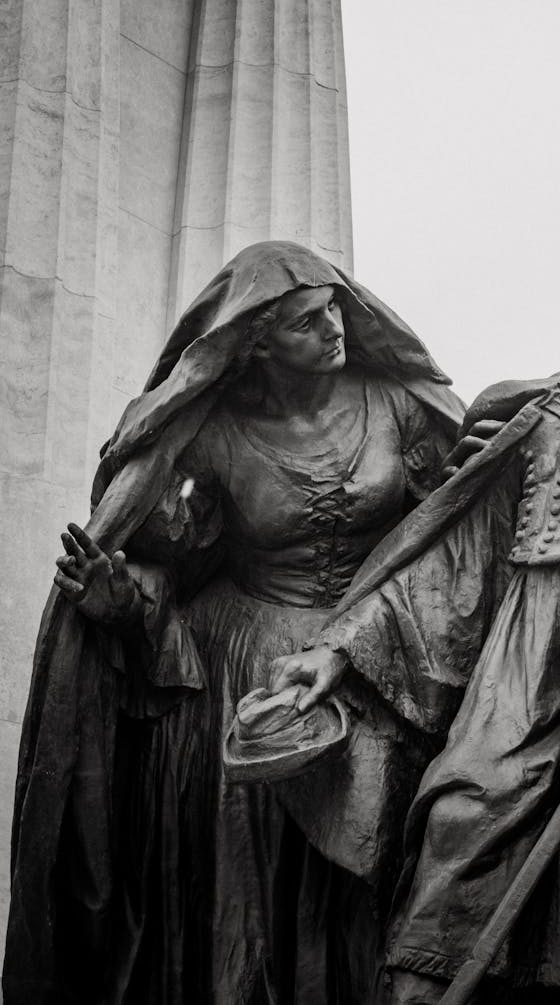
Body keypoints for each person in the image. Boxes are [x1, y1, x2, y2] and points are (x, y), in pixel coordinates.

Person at [270, 224, 560, 1004]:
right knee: (460, 812)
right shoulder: (551, 395)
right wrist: (341, 649)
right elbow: (458, 548)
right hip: (525, 631)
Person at [3, 241, 466, 1005]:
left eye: (334, 309)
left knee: (368, 882)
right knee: (248, 890)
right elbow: (176, 565)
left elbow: (452, 524)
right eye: (306, 322)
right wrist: (115, 600)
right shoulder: (213, 433)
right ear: (256, 341)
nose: (333, 328)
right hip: (246, 670)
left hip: (379, 654)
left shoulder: (397, 404)